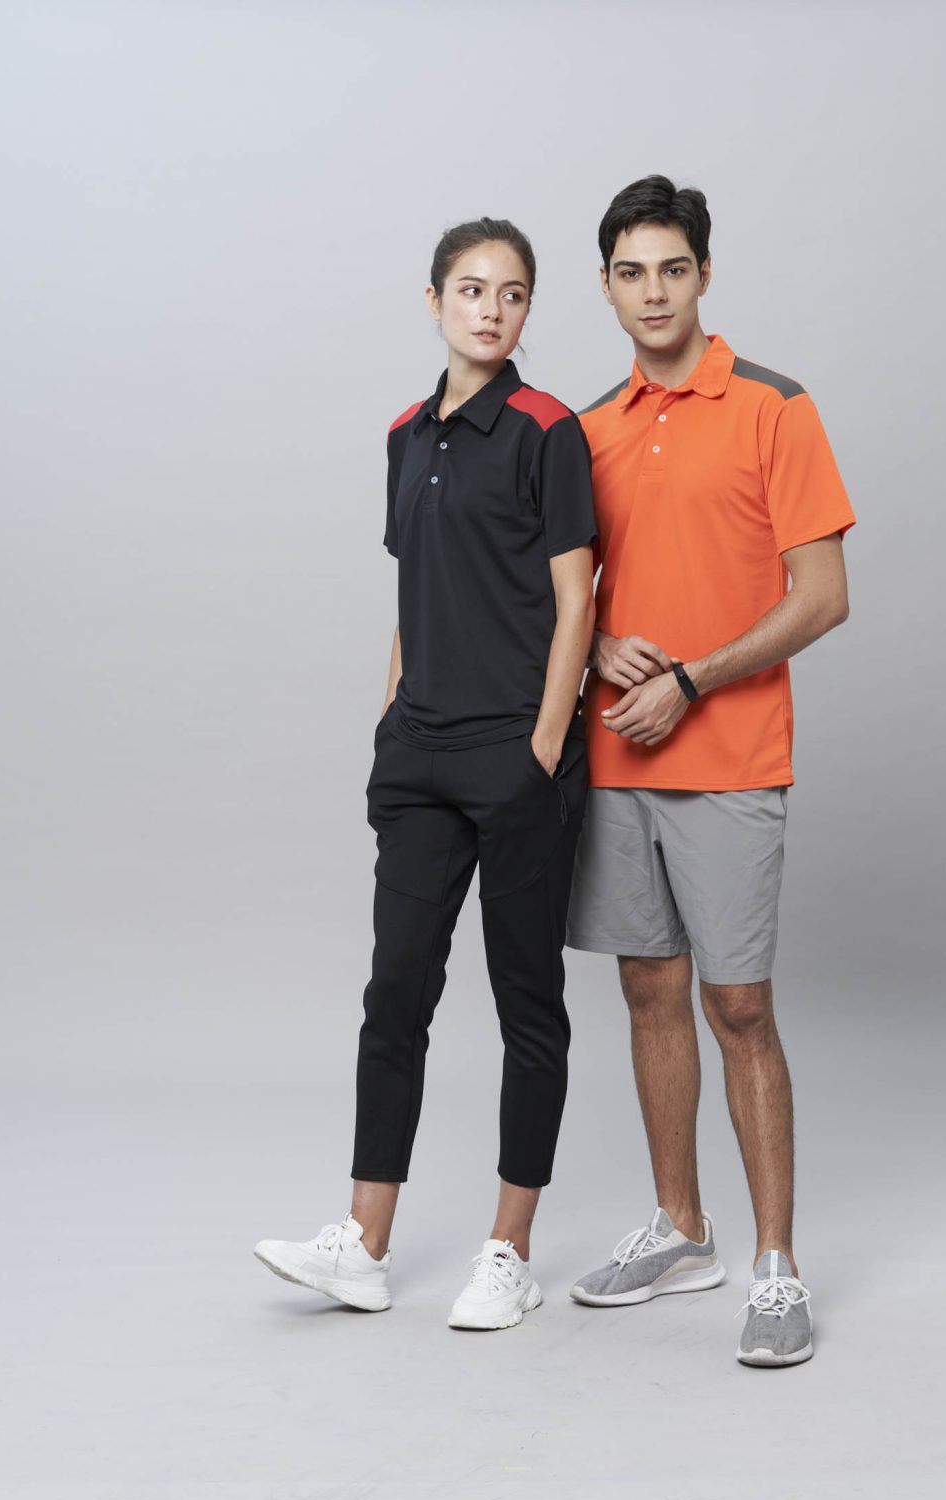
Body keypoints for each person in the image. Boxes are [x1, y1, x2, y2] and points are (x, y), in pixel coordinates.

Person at [255, 218, 596, 1330]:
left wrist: (541, 749)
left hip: (514, 757)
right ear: (435, 299)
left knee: (526, 1003)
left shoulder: (547, 430)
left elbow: (577, 601)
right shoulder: (405, 435)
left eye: (512, 293)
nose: (491, 309)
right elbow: (416, 587)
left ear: (529, 309)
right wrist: (392, 716)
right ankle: (364, 1243)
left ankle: (510, 1251)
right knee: (394, 993)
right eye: (471, 289)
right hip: (419, 759)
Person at [566, 176, 854, 1366]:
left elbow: (823, 597)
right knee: (647, 992)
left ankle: (775, 1268)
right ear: (605, 286)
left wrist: (689, 679)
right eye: (631, 273)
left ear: (703, 275)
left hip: (730, 757)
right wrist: (598, 647)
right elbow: (565, 595)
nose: (653, 293)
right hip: (613, 759)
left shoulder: (774, 407)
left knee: (739, 1007)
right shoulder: (586, 429)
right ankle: (681, 1228)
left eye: (672, 270)